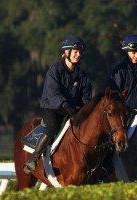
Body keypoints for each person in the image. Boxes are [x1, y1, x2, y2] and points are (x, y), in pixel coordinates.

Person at [24, 35, 92, 174]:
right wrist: (65, 104)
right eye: (75, 52)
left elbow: (86, 97)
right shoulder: (54, 70)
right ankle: (33, 159)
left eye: (80, 53)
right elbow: (52, 93)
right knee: (53, 126)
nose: (78, 55)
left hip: (72, 110)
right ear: (66, 52)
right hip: (52, 108)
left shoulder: (83, 76)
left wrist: (86, 109)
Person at [102, 34, 137, 179]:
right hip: (121, 115)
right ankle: (106, 167)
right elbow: (111, 95)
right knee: (109, 139)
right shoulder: (118, 72)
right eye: (134, 52)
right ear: (126, 52)